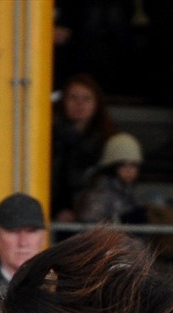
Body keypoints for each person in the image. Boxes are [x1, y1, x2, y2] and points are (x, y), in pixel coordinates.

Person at [51, 74, 117, 222]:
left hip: (98, 215)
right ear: (63, 102)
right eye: (73, 98)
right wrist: (58, 208)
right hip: (59, 215)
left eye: (86, 99)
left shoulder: (108, 140)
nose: (79, 104)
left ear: (96, 104)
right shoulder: (49, 138)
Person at [75, 132, 149, 224]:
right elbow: (89, 225)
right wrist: (120, 221)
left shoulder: (131, 193)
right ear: (112, 167)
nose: (129, 170)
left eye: (134, 165)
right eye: (123, 165)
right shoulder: (100, 194)